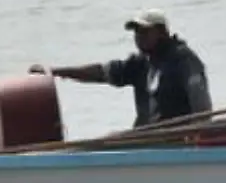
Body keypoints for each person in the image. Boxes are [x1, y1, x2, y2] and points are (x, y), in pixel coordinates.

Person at [43, 10, 211, 128]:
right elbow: (100, 73)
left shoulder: (184, 60)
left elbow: (202, 107)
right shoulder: (140, 64)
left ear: (162, 32)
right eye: (136, 33)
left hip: (176, 142)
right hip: (146, 139)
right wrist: (57, 72)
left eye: (144, 32)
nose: (138, 38)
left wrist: (198, 138)